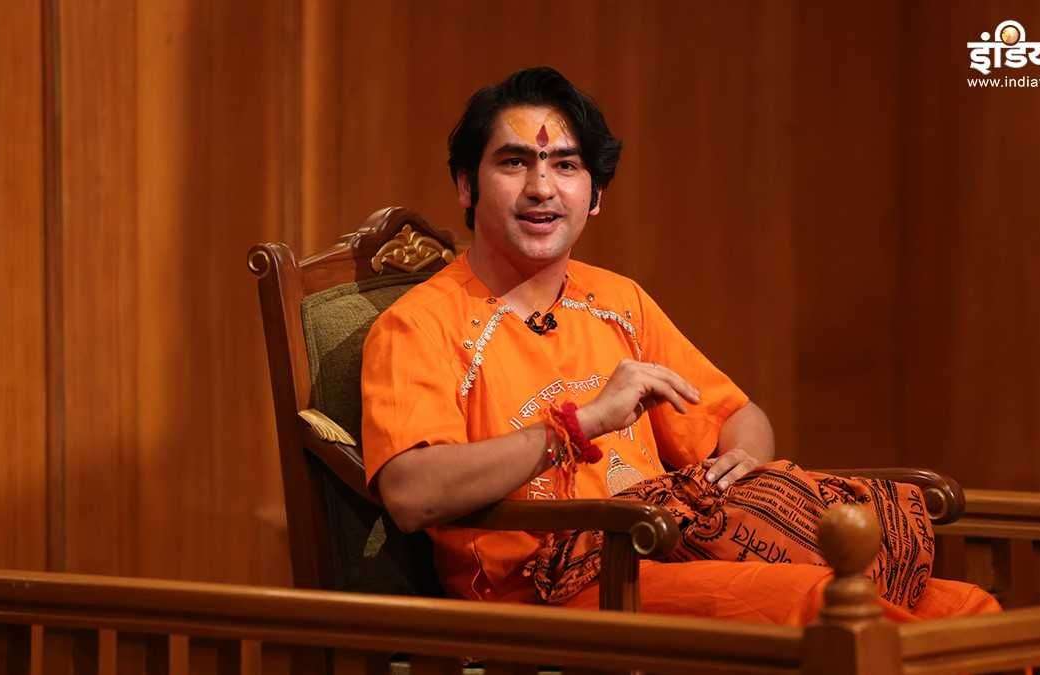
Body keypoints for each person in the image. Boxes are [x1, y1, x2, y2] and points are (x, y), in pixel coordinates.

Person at [361, 66, 997, 623]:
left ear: (595, 195)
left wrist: (742, 473)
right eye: (513, 162)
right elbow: (412, 494)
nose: (541, 187)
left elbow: (739, 418)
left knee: (965, 609)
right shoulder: (418, 324)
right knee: (824, 606)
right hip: (544, 594)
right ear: (466, 186)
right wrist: (580, 425)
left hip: (661, 556)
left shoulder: (618, 301)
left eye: (566, 165)